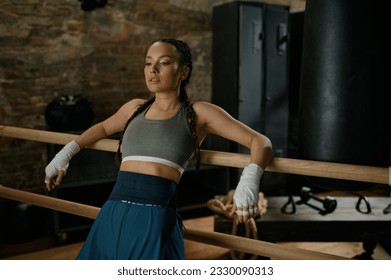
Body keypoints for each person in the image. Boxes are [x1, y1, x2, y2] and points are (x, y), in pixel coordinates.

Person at [44, 38, 273, 260]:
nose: (152, 69)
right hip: (112, 212)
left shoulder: (200, 113)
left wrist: (249, 179)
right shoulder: (134, 108)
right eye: (147, 62)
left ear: (183, 72)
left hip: (155, 216)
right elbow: (103, 127)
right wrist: (66, 153)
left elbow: (260, 141)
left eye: (163, 63)